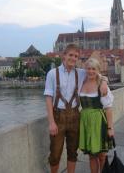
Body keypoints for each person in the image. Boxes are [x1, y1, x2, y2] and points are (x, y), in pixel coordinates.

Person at [44, 44, 108, 173]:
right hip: (58, 117)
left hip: (75, 116)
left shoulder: (81, 73)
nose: (73, 58)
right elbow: (48, 98)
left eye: (76, 56)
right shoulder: (52, 73)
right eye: (71, 55)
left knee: (73, 152)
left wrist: (105, 81)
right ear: (64, 56)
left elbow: (96, 72)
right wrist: (51, 122)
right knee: (55, 154)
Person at [79, 58, 114, 173]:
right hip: (86, 122)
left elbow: (108, 108)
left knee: (102, 155)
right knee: (91, 155)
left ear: (98, 70)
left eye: (94, 69)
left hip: (99, 122)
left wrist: (110, 128)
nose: (91, 71)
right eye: (88, 68)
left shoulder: (102, 86)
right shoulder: (81, 82)